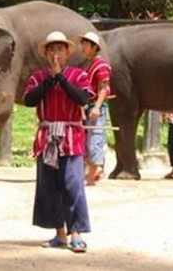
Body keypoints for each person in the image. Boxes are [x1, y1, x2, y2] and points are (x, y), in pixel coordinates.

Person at [23, 31, 93, 253]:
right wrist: (50, 80)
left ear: (67, 53)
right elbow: (29, 100)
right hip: (47, 139)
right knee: (49, 186)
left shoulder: (79, 75)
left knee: (72, 183)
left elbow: (82, 98)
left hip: (71, 138)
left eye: (60, 49)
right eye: (51, 49)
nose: (56, 54)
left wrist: (61, 78)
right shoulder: (38, 77)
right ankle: (60, 234)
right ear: (46, 53)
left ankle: (76, 233)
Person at [78, 31, 111, 186]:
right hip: (88, 106)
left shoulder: (101, 65)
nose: (82, 47)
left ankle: (92, 175)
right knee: (87, 141)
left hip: (95, 106)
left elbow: (104, 88)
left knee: (94, 140)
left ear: (94, 47)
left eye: (85, 44)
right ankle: (93, 172)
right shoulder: (90, 64)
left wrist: (97, 107)